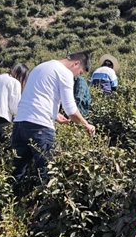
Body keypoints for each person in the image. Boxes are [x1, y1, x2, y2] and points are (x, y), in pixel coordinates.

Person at [11, 51, 96, 186]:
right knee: (47, 173)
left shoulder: (41, 67)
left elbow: (35, 97)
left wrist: (55, 115)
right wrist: (86, 125)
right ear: (76, 63)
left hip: (20, 124)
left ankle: (13, 196)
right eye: (79, 73)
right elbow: (70, 109)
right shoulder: (65, 73)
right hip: (40, 126)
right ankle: (41, 199)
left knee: (17, 171)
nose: (76, 77)